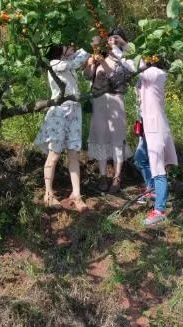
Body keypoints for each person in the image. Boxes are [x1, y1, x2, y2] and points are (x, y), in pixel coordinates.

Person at [34, 44, 90, 211]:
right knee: (54, 154)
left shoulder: (68, 61)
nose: (72, 46)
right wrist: (90, 45)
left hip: (74, 111)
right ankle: (48, 194)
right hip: (59, 113)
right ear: (59, 49)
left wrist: (92, 43)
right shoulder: (55, 64)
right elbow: (76, 61)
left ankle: (76, 194)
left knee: (74, 153)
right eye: (67, 45)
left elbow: (78, 56)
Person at [84, 29, 135, 194]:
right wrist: (91, 63)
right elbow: (87, 76)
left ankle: (117, 176)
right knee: (100, 137)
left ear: (121, 40)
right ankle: (102, 175)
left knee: (116, 137)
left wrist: (105, 61)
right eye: (110, 37)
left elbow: (115, 76)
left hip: (115, 100)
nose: (112, 40)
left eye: (116, 37)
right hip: (99, 101)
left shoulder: (124, 57)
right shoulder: (100, 55)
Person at [133, 55, 178, 227]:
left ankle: (160, 211)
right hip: (147, 127)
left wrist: (120, 45)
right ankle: (151, 191)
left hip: (156, 128)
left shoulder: (157, 73)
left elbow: (132, 64)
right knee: (140, 159)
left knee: (158, 168)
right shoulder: (147, 74)